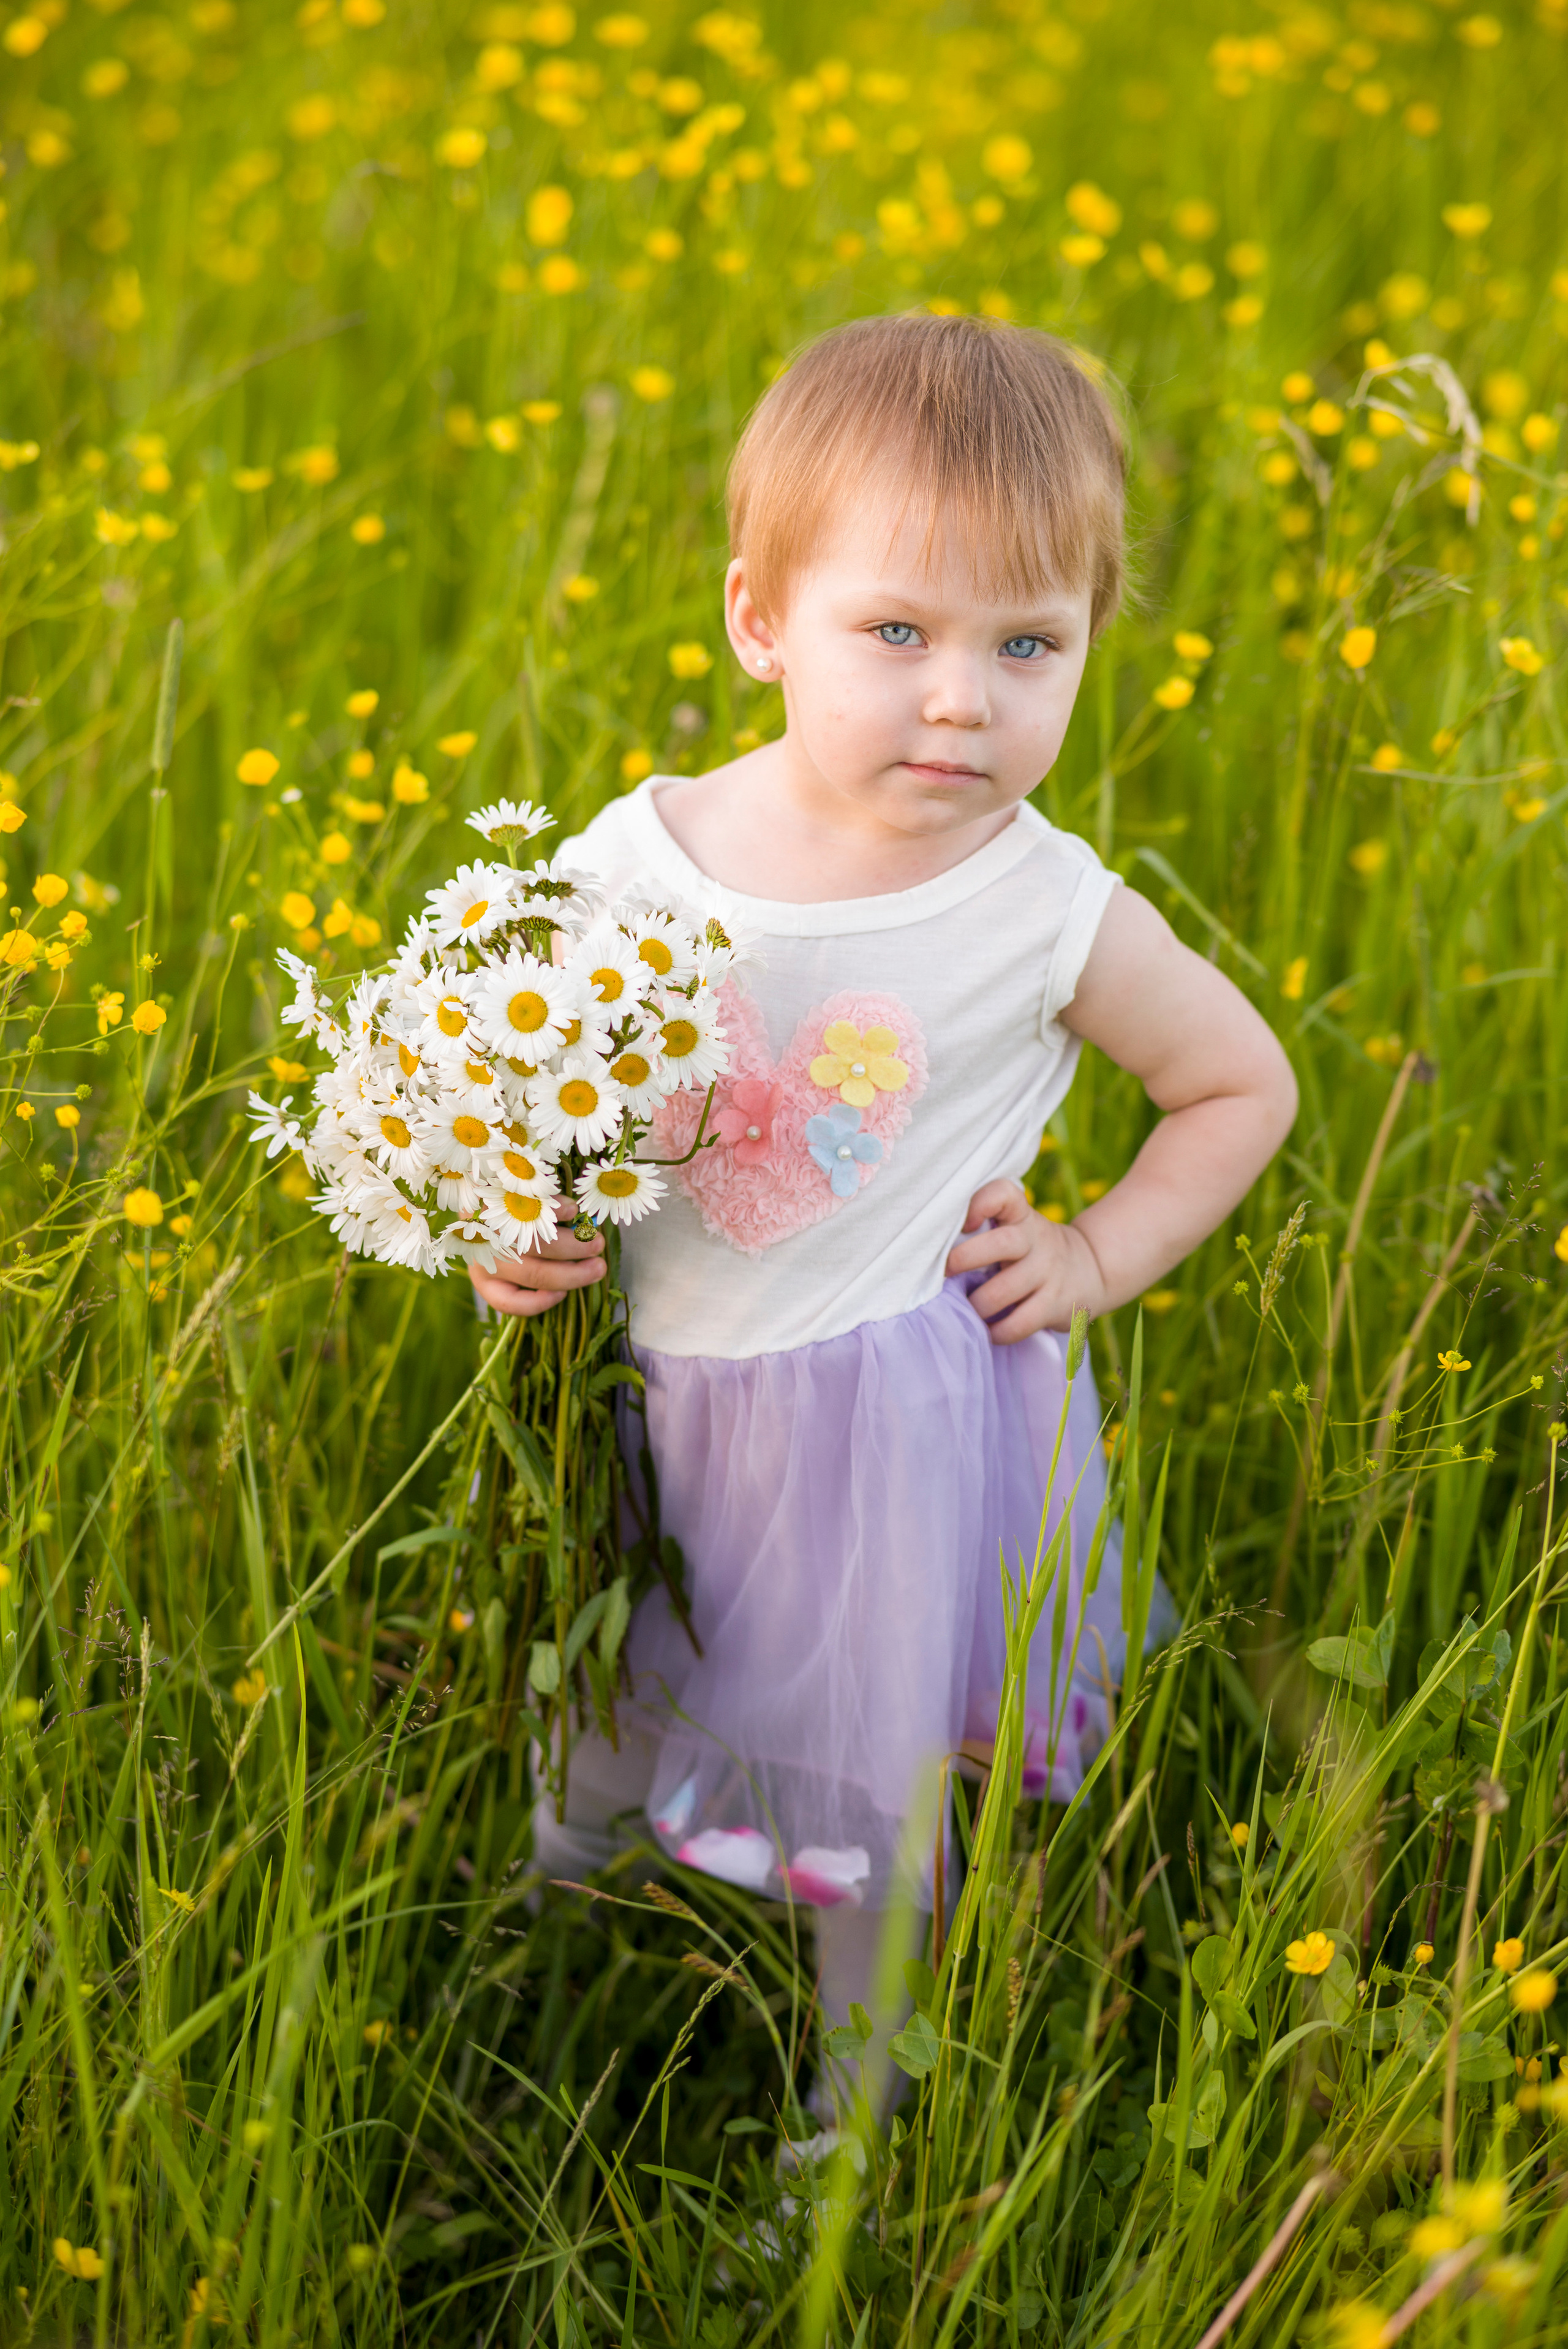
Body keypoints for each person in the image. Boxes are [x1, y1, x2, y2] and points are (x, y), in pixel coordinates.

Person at [469, 313, 1297, 2073]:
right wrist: (507, 1232)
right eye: (899, 630)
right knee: (610, 1684)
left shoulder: (1044, 905)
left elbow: (1240, 1082)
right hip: (653, 1392)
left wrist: (1093, 1250)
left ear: (1086, 649)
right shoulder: (639, 860)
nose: (960, 696)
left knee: (873, 1788)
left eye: (1028, 643)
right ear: (760, 621)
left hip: (887, 1443)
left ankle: (852, 2097)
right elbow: (523, 1100)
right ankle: (531, 1936)